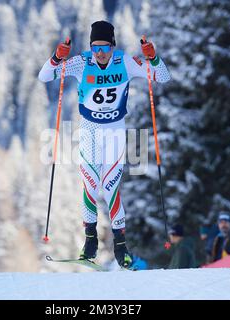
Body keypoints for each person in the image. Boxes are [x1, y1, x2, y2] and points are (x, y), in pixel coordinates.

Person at [38, 21, 170, 268]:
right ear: (91, 46)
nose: (100, 52)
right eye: (96, 47)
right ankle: (90, 240)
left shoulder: (125, 62)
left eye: (105, 47)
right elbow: (44, 75)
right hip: (88, 131)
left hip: (115, 132)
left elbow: (162, 77)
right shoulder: (81, 62)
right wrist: (56, 58)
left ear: (113, 46)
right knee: (90, 185)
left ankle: (121, 245)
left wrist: (153, 59)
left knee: (110, 188)